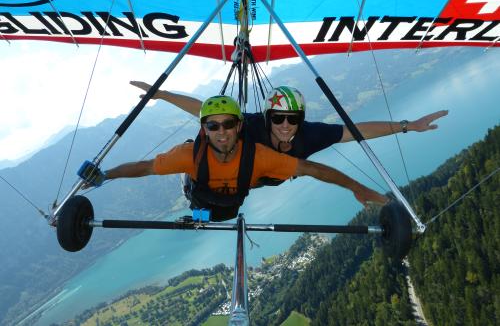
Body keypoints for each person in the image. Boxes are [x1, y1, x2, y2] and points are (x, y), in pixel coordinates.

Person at [81, 95, 387, 221]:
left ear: (239, 127)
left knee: (225, 214)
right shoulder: (190, 154)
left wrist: (355, 187)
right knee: (203, 215)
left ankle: (204, 216)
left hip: (234, 198)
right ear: (204, 129)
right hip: (200, 193)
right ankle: (196, 217)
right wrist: (106, 175)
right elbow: (145, 167)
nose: (222, 131)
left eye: (229, 124)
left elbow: (312, 168)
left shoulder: (259, 156)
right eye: (213, 126)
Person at [130, 81, 448, 182]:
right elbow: (204, 109)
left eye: (292, 118)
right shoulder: (250, 126)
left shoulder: (308, 135)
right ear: (268, 117)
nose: (285, 125)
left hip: (268, 177)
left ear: (300, 119)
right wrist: (162, 95)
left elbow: (356, 131)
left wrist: (408, 126)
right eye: (278, 118)